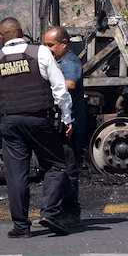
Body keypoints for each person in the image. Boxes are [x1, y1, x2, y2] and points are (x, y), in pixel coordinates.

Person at [0, 17, 74, 238]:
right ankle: (50, 213)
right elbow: (60, 89)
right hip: (40, 119)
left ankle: (21, 227)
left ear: (1, 38)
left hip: (11, 123)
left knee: (16, 175)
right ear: (22, 32)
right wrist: (67, 117)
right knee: (56, 165)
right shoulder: (41, 53)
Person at [42, 26, 84, 227]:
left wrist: (46, 85)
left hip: (72, 123)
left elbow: (71, 84)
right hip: (62, 122)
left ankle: (71, 213)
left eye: (51, 45)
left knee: (69, 169)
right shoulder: (57, 62)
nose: (47, 49)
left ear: (64, 44)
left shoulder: (70, 61)